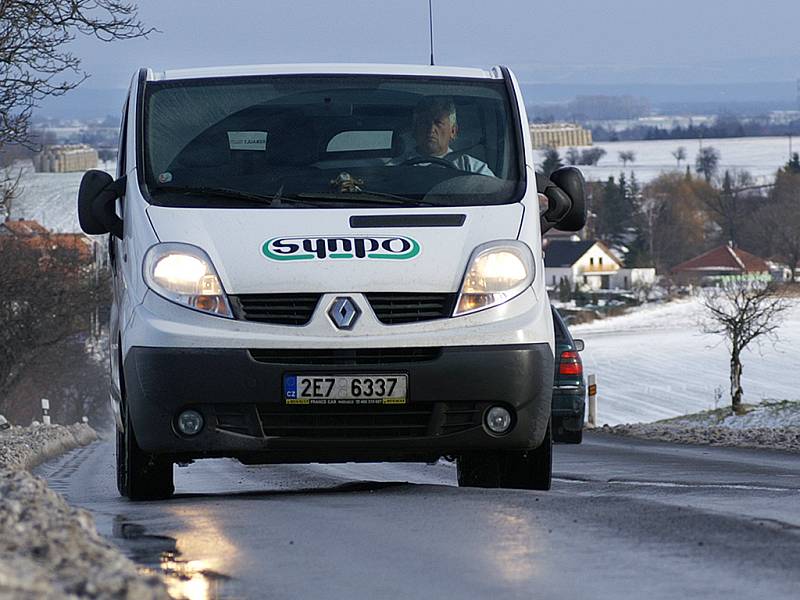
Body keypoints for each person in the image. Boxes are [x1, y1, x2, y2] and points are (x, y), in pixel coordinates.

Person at [393, 96, 495, 176]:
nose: (431, 129)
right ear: (415, 131)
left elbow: (495, 194)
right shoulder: (395, 168)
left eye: (438, 123)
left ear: (453, 131)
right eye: (424, 123)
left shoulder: (471, 168)